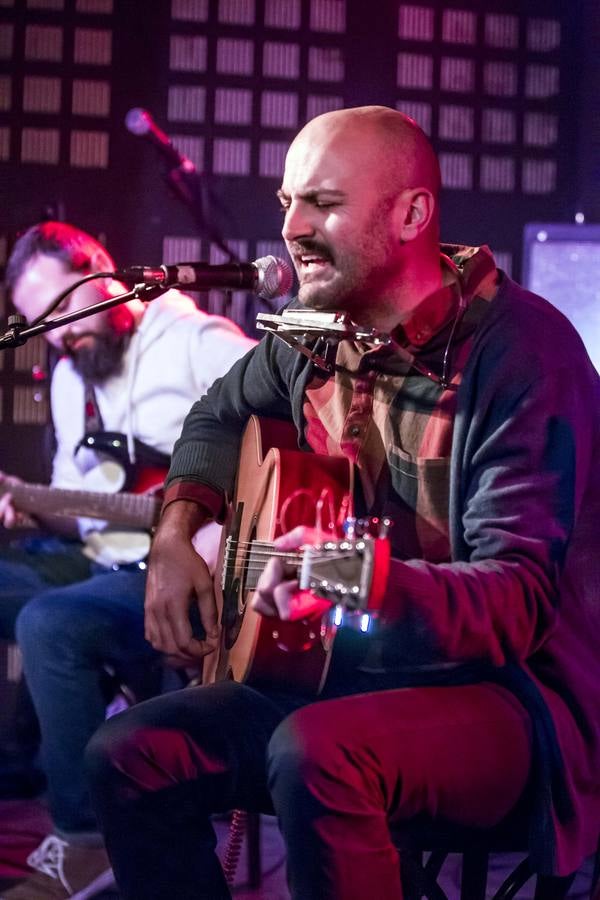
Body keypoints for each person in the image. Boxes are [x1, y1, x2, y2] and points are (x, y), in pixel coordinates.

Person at [85, 107, 600, 900]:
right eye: (286, 203)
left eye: (321, 203)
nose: (291, 229)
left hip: (515, 702)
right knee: (131, 752)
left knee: (313, 753)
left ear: (412, 214)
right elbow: (218, 415)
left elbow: (517, 602)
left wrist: (353, 577)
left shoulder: (522, 356)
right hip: (352, 678)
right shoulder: (315, 336)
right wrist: (177, 536)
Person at [0, 221, 255, 900]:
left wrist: (210, 531)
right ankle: (18, 765)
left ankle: (86, 840)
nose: (56, 332)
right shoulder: (69, 376)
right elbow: (83, 510)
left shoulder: (197, 342)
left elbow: (287, 434)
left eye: (62, 308)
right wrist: (27, 505)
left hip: (171, 567)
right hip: (93, 557)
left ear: (101, 270)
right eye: (38, 323)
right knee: (39, 605)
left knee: (51, 625)